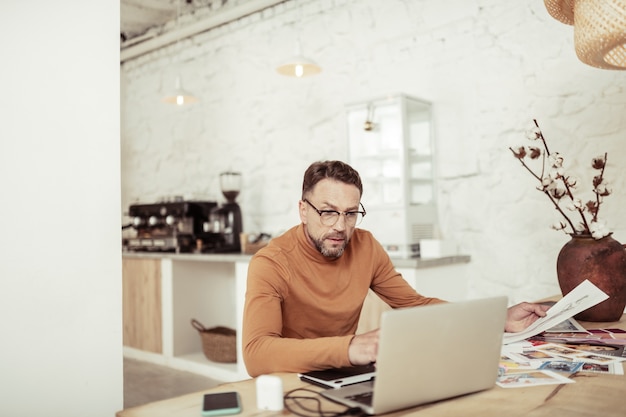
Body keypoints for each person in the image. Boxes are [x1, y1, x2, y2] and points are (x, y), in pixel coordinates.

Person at [242, 160, 550, 377]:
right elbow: (256, 353)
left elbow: (414, 304)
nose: (340, 226)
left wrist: (498, 318)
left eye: (351, 213)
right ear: (303, 210)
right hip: (289, 380)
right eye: (327, 212)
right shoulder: (271, 263)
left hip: (345, 376)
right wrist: (350, 348)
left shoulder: (365, 246)